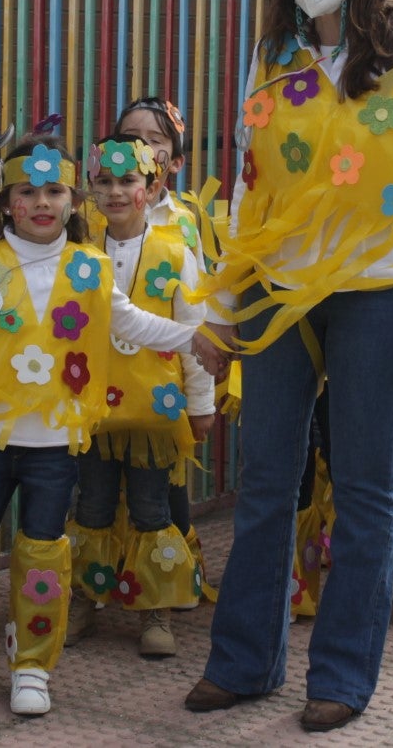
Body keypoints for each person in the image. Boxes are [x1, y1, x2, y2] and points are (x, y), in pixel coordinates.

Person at [182, 0, 393, 733]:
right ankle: (244, 663)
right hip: (279, 288)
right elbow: (250, 184)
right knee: (266, 480)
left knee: (362, 485)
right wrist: (225, 303)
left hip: (382, 292)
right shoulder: (272, 54)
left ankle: (342, 673)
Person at [0, 134, 218, 729]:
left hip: (55, 445)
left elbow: (130, 320)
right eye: (27, 191)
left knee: (43, 554)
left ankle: (32, 664)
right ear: (6, 201)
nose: (42, 203)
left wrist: (196, 339)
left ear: (74, 199)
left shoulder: (89, 265)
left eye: (55, 191)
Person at [66, 132, 216, 657]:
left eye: (128, 180)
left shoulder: (175, 252)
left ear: (151, 189)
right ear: (87, 189)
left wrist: (201, 403)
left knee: (153, 510)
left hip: (155, 410)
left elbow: (194, 330)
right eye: (103, 181)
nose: (114, 192)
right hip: (93, 414)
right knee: (93, 508)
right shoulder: (78, 254)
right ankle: (85, 598)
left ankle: (157, 609)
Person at [114, 95, 219, 604]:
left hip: (161, 393)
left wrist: (200, 400)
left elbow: (193, 313)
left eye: (154, 142)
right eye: (132, 139)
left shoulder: (183, 223)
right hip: (98, 392)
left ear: (175, 160)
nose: (142, 150)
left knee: (162, 495)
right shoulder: (91, 220)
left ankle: (166, 593)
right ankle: (104, 586)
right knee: (99, 498)